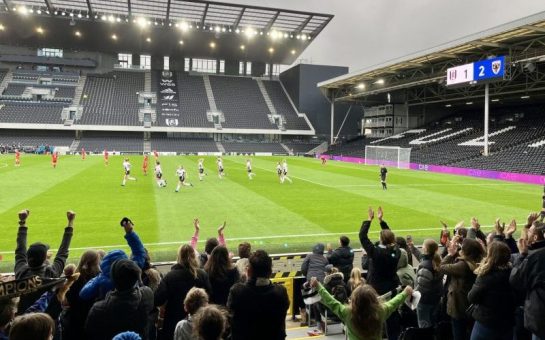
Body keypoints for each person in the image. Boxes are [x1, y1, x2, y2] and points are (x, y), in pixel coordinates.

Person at [310, 276, 413, 340]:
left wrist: (318, 286)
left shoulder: (347, 312)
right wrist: (405, 293)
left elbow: (331, 302)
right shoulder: (380, 311)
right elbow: (394, 302)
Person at [14, 209, 75, 312]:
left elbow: (20, 250)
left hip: (23, 317)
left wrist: (22, 223)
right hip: (46, 318)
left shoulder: (21, 271)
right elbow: (63, 252)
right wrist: (70, 222)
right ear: (45, 258)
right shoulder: (52, 273)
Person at [358, 206, 401, 340]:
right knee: (392, 317)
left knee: (375, 319)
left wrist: (369, 220)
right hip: (392, 287)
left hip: (376, 289)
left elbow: (362, 236)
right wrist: (381, 221)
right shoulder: (397, 251)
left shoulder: (376, 253)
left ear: (381, 239)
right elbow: (391, 238)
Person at [85, 259, 155, 340]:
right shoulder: (147, 295)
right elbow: (143, 288)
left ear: (113, 279)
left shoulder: (98, 309)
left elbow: (90, 333)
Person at [227, 250, 290, 340]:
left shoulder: (237, 291)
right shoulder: (280, 292)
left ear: (248, 271)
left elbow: (230, 317)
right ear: (270, 272)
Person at [80, 219, 146, 301]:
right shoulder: (133, 271)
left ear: (105, 263)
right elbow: (139, 252)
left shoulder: (101, 280)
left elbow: (83, 294)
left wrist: (99, 276)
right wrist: (130, 233)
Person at [154, 244, 212, 340]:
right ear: (194, 257)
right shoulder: (202, 274)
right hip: (199, 321)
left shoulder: (170, 276)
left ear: (179, 257)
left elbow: (158, 300)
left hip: (173, 322)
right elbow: (209, 295)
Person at [468, 241, 515, 340]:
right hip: (507, 322)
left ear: (491, 257)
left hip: (487, 323)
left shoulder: (486, 276)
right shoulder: (514, 272)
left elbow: (471, 297)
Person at [440, 237, 484, 340]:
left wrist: (450, 254)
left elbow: (441, 267)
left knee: (459, 334)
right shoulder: (478, 260)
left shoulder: (462, 266)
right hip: (471, 305)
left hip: (458, 307)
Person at [510, 221, 545, 340]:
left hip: (540, 317)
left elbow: (515, 280)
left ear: (535, 237)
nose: (527, 233)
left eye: (529, 231)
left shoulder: (534, 257)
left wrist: (522, 255)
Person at [61, 250, 101, 340]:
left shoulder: (73, 278)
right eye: (97, 262)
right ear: (93, 264)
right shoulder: (96, 279)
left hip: (74, 321)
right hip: (88, 320)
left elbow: (68, 300)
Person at [415, 239, 443, 329]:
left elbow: (422, 287)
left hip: (425, 301)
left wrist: (411, 294)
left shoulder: (426, 265)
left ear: (426, 249)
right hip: (435, 299)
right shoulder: (437, 261)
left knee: (424, 326)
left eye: (423, 245)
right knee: (432, 323)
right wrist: (412, 248)